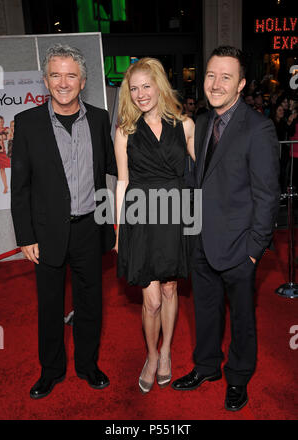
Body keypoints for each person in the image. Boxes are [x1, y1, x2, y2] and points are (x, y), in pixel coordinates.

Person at [172, 46, 280, 411]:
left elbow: (267, 195)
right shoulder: (201, 122)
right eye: (211, 75)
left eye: (226, 77)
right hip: (201, 240)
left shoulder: (259, 128)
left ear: (242, 84)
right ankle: (206, 367)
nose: (216, 84)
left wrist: (253, 250)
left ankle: (237, 376)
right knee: (205, 311)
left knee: (243, 318)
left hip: (239, 246)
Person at [11, 43, 117, 399]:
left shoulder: (101, 119)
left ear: (82, 80)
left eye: (70, 75)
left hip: (90, 227)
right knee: (50, 306)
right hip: (46, 232)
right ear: (45, 80)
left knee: (91, 303)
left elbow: (111, 173)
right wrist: (25, 236)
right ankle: (51, 371)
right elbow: (20, 187)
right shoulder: (26, 123)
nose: (63, 82)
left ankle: (88, 366)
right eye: (55, 74)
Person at [114, 57, 195, 394]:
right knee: (151, 300)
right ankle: (150, 354)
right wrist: (120, 230)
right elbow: (122, 182)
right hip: (142, 219)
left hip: (175, 215)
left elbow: (202, 176)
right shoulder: (124, 131)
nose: (140, 94)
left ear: (159, 85)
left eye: (146, 86)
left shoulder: (186, 125)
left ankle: (166, 352)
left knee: (170, 288)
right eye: (134, 89)